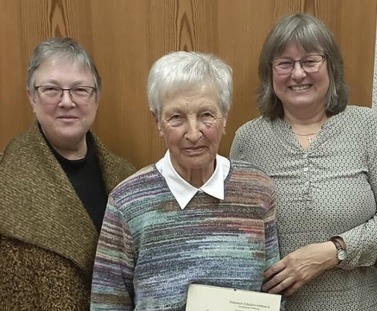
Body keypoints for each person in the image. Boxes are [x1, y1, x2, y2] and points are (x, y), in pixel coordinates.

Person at [230, 13, 377, 310]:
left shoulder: (368, 127)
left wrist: (331, 252)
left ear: (331, 67)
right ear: (269, 72)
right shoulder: (247, 139)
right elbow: (237, 233)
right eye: (285, 63)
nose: (298, 74)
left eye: (310, 61)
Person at [90, 51, 280, 310]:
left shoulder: (258, 190)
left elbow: (272, 296)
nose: (193, 133)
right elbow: (107, 304)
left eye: (206, 115)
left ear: (224, 117)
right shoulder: (127, 202)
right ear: (158, 121)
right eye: (176, 117)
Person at [0, 37, 136, 309]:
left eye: (80, 90)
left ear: (96, 97)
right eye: (51, 89)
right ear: (31, 97)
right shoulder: (5, 178)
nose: (66, 101)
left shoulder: (127, 177)